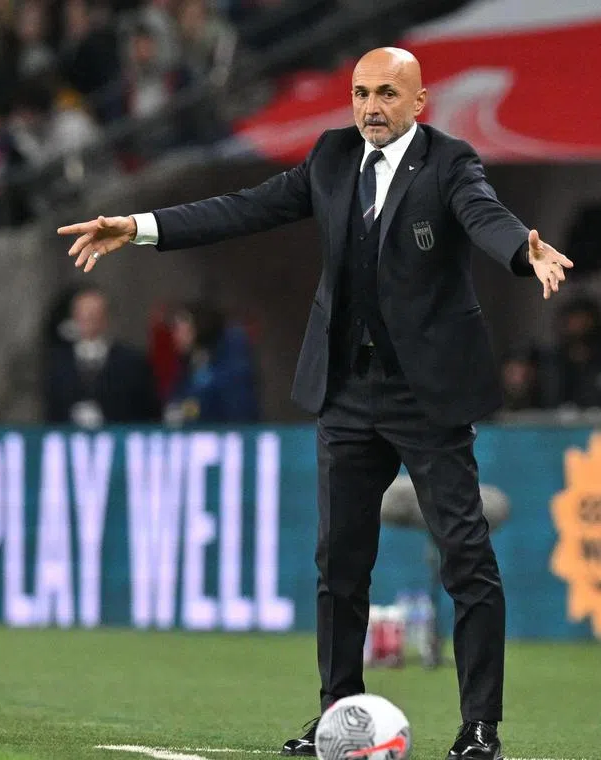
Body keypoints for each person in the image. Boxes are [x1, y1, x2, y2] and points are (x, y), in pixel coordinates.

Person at [57, 47, 572, 760]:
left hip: (428, 398)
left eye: (388, 93)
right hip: (347, 391)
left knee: (466, 557)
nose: (371, 107)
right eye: (361, 92)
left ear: (419, 102)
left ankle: (480, 729)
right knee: (340, 563)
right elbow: (242, 209)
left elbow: (486, 218)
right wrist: (141, 227)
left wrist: (525, 252)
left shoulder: (451, 164)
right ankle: (339, 717)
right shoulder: (332, 158)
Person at [44, 285, 162, 426]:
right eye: (83, 314)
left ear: (105, 317)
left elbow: (147, 411)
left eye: (94, 314)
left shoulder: (131, 362)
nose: (88, 320)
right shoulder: (59, 362)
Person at [164, 300, 260, 425]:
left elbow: (237, 414)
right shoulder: (189, 368)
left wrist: (186, 411)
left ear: (198, 328)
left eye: (181, 328)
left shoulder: (232, 369)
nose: (175, 335)